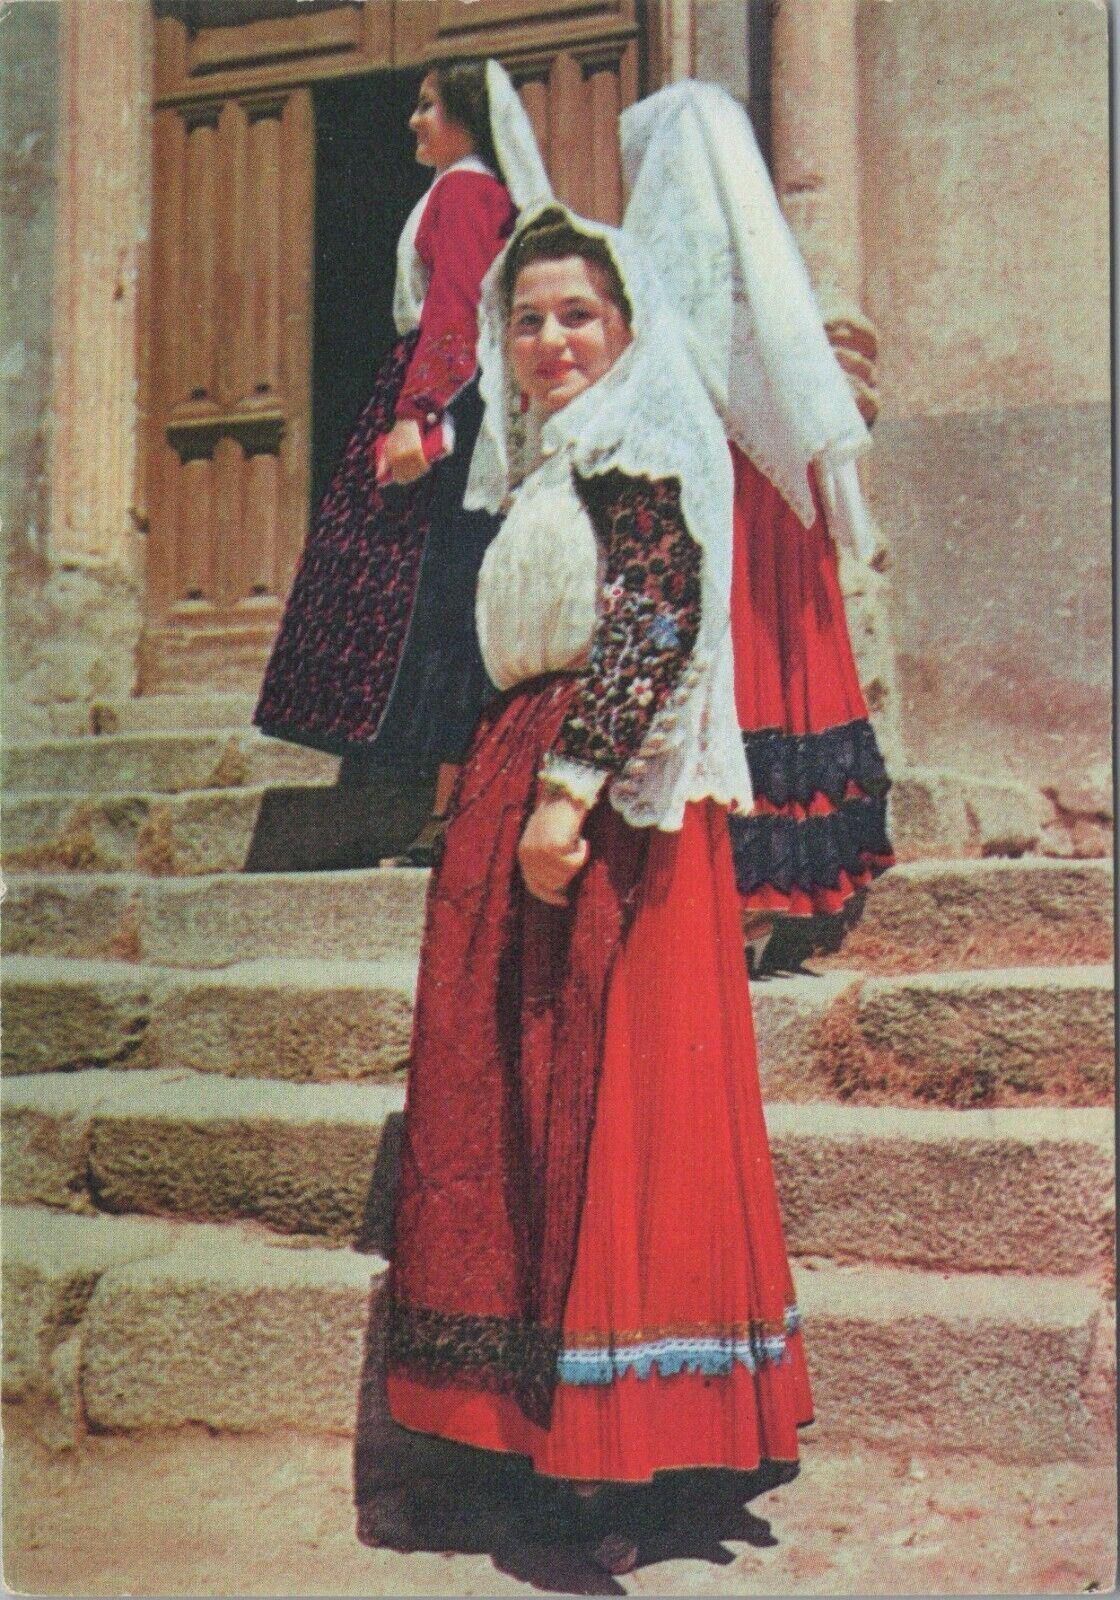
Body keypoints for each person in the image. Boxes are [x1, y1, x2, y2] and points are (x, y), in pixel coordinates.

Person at [362, 203, 813, 1575]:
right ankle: (535, 1433)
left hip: (601, 802)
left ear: (624, 329)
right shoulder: (553, 459)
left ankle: (616, 1450)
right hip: (530, 769)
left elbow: (657, 612)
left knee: (591, 1099)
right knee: (515, 1096)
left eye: (578, 316)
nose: (552, 340)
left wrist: (566, 793)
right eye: (528, 319)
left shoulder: (633, 440)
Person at [620, 83, 895, 967]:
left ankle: (734, 899)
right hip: (773, 494)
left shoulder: (661, 285)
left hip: (725, 500)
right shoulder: (772, 293)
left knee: (740, 666)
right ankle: (768, 896)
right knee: (774, 663)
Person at [253, 60, 550, 858]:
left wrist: (419, 414)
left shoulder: (465, 191)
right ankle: (423, 781)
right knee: (425, 592)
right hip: (439, 390)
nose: (413, 121)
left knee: (439, 593)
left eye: (427, 107)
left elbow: (456, 306)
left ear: (465, 118)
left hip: (438, 398)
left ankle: (450, 803)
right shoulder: (458, 190)